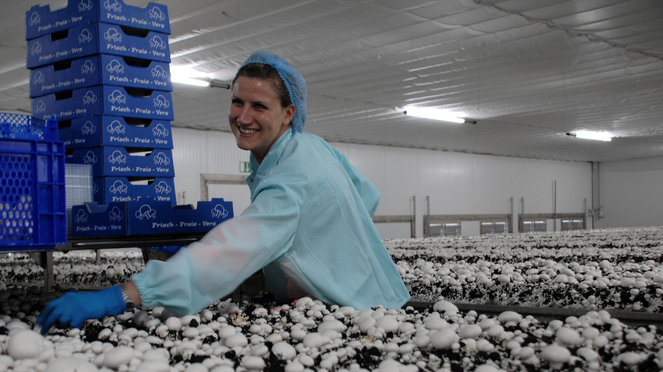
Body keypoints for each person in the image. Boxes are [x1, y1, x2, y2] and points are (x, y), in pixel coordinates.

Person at [36, 51, 410, 334]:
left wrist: (121, 296)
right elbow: (366, 195)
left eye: (259, 106)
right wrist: (309, 259)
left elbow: (233, 247)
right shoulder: (311, 146)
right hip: (377, 300)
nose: (243, 117)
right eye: (237, 102)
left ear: (288, 113)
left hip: (358, 317)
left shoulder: (293, 175)